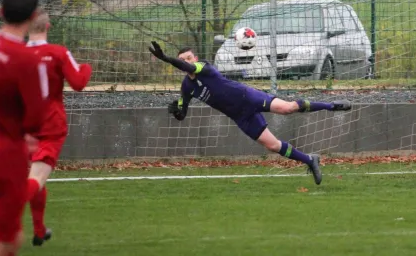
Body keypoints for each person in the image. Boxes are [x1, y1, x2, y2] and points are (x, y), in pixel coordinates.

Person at [148, 42, 352, 185]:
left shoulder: (205, 67)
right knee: (272, 145)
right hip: (240, 116)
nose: (186, 62)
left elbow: (188, 66)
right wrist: (176, 111)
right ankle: (310, 160)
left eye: (188, 58)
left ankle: (331, 105)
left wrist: (166, 58)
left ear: (195, 58)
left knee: (287, 108)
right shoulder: (186, 87)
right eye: (182, 59)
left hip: (247, 97)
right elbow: (182, 114)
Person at [25, 9, 92, 246]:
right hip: (50, 125)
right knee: (33, 181)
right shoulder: (58, 53)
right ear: (48, 26)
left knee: (35, 177)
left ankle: (39, 229)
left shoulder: (15, 54)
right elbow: (78, 83)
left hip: (22, 126)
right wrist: (86, 68)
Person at [0, 0, 49, 256]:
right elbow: (37, 115)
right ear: (34, 17)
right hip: (7, 155)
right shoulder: (30, 61)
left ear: (1, 12)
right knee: (8, 239)